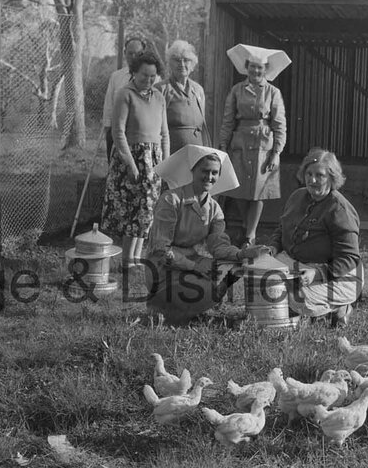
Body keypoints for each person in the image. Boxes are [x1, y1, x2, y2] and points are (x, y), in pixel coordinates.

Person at [144, 145, 268, 326]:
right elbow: (161, 249)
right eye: (205, 171)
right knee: (203, 289)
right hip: (162, 267)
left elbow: (218, 244)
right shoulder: (171, 200)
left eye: (214, 173)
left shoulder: (214, 209)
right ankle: (164, 309)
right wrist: (194, 266)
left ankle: (187, 311)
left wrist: (242, 254)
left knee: (217, 274)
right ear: (192, 170)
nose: (209, 177)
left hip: (190, 263)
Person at [260, 147, 362, 327]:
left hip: (338, 275)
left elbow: (350, 258)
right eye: (309, 173)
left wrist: (318, 273)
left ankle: (340, 308)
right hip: (295, 263)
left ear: (332, 177)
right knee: (264, 282)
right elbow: (282, 228)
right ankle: (316, 313)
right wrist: (273, 248)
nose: (312, 180)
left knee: (293, 296)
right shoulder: (297, 196)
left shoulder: (339, 210)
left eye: (320, 175)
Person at [101, 50, 169, 270]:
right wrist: (130, 163)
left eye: (153, 76)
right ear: (133, 73)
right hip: (131, 158)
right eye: (144, 76)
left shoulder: (159, 97)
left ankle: (136, 257)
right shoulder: (125, 94)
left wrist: (165, 164)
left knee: (146, 210)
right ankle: (127, 260)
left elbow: (164, 134)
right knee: (131, 209)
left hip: (154, 159)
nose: (148, 80)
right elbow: (117, 132)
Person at [217, 43, 290, 248]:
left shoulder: (273, 92)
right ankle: (245, 224)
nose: (256, 71)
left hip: (263, 145)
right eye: (252, 67)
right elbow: (228, 120)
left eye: (260, 68)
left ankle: (250, 234)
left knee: (259, 192)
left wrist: (276, 152)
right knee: (239, 190)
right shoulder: (236, 90)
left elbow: (279, 124)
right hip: (239, 143)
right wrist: (223, 145)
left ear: (266, 70)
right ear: (246, 67)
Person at [101, 36, 158, 163]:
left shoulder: (153, 78)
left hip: (142, 133)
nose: (134, 57)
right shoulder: (116, 77)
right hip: (118, 130)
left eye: (138, 54)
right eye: (130, 53)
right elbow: (109, 104)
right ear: (124, 53)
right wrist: (108, 127)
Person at [157, 40, 210, 152]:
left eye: (186, 60)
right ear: (170, 63)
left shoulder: (198, 90)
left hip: (197, 152)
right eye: (177, 60)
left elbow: (202, 125)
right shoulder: (161, 89)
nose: (181, 64)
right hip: (172, 153)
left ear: (192, 64)